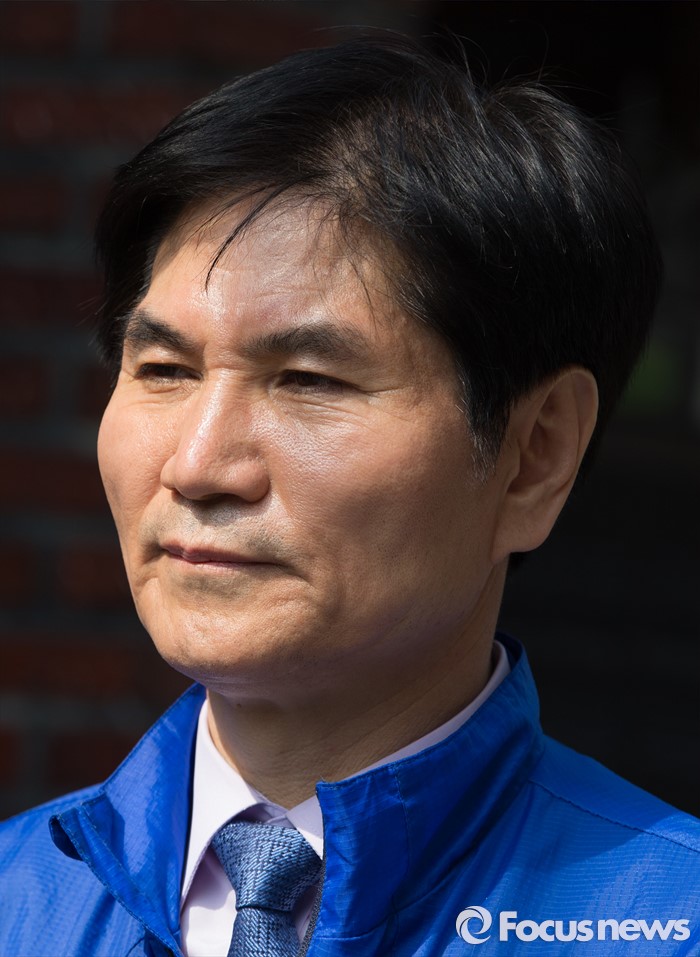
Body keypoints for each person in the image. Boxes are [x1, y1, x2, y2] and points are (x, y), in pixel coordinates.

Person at [1, 33, 698, 957]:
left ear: (534, 455)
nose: (198, 466)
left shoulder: (663, 920)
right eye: (164, 369)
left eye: (308, 381)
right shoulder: (21, 899)